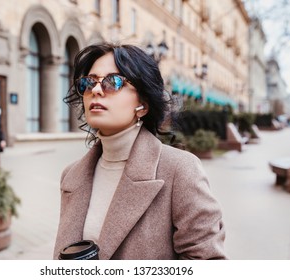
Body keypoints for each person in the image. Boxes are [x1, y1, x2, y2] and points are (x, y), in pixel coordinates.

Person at [53, 43, 226, 260]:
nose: (96, 90)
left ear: (142, 105)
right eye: (89, 82)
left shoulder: (179, 170)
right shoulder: (71, 175)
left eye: (112, 82)